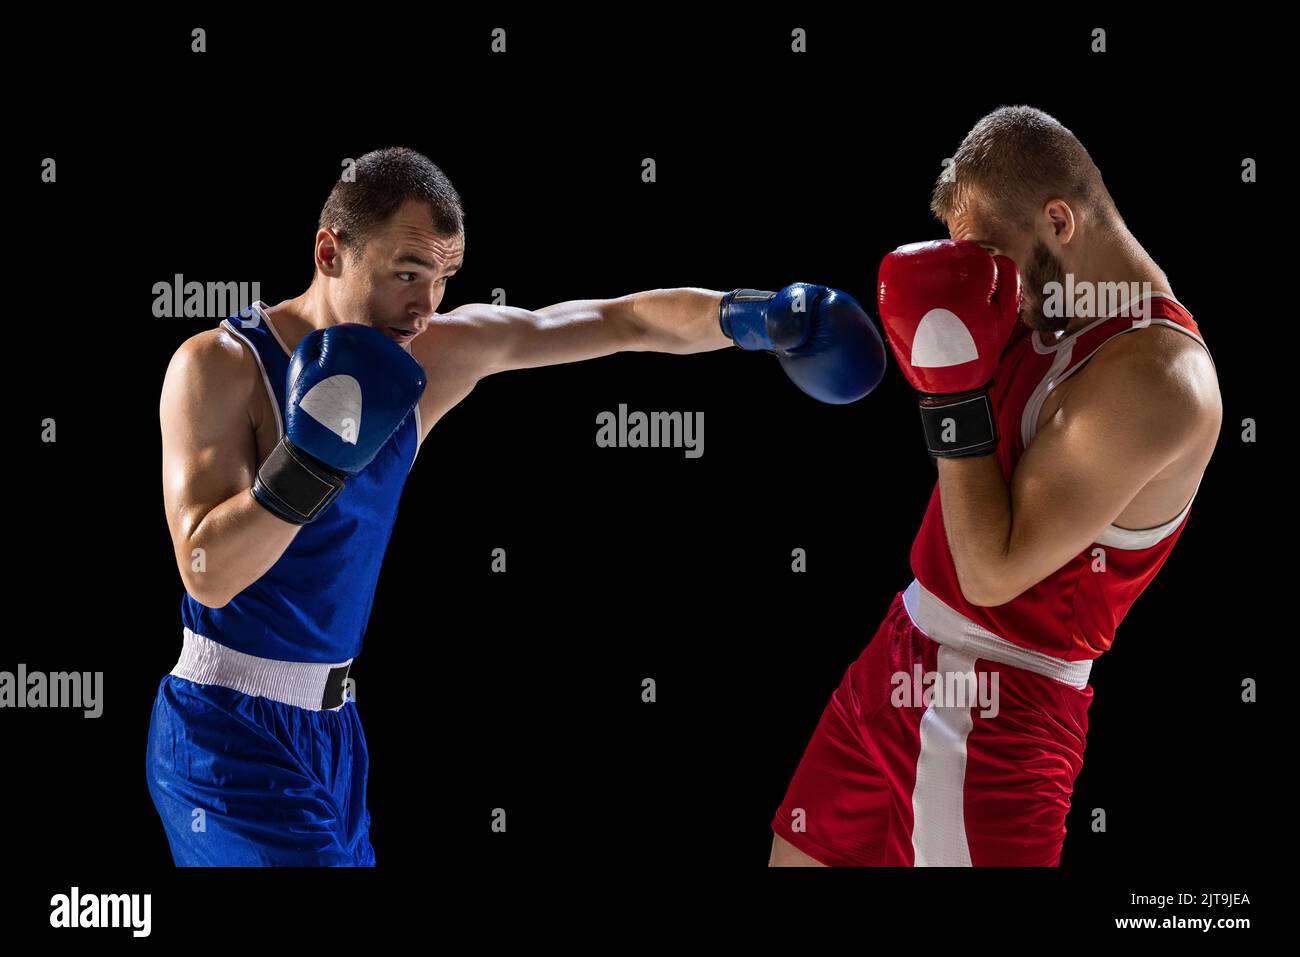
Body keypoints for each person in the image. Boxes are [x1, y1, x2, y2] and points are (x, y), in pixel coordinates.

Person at [147, 146, 885, 865]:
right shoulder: (222, 364)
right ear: (330, 251)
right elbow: (208, 572)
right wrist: (311, 460)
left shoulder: (429, 356)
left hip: (335, 733)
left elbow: (621, 321)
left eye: (443, 279)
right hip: (223, 730)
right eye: (407, 274)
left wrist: (755, 318)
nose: (424, 308)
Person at [770, 106, 1222, 866]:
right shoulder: (1047, 303)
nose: (987, 282)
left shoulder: (1157, 380)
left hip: (997, 707)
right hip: (898, 649)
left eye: (991, 255)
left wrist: (947, 391)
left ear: (1058, 219)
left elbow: (989, 571)